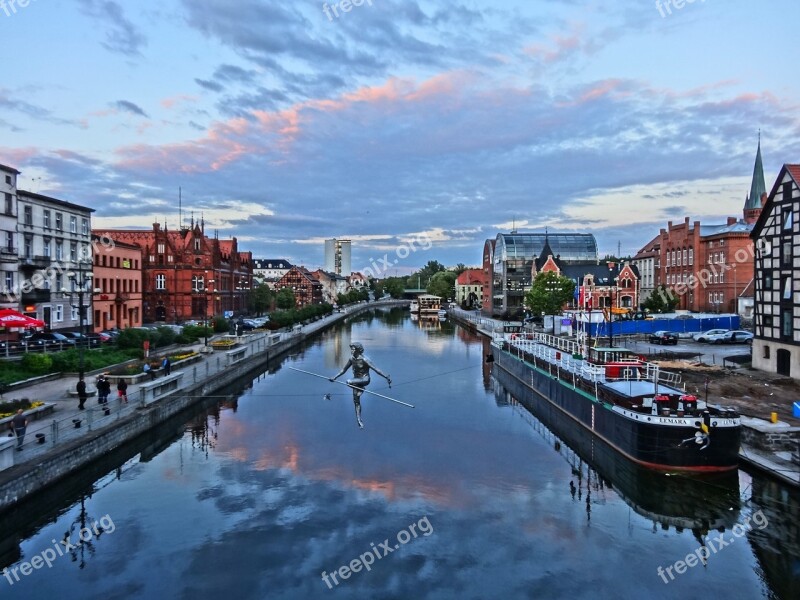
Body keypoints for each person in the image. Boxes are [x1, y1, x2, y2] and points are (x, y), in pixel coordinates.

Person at [330, 342, 391, 429]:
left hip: (365, 380)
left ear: (358, 350)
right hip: (356, 382)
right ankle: (359, 419)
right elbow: (343, 370)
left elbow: (376, 370)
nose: (351, 350)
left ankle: (361, 388)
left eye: (353, 349)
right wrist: (334, 377)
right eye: (351, 349)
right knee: (356, 401)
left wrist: (386, 377)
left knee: (348, 381)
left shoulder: (365, 360)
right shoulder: (351, 359)